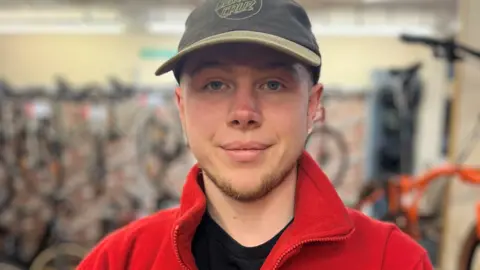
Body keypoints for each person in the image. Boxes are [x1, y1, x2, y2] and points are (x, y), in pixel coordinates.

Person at [77, 0, 434, 269]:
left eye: (273, 84)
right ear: (182, 107)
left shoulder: (393, 260)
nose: (244, 113)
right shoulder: (121, 259)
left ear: (312, 105)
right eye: (215, 84)